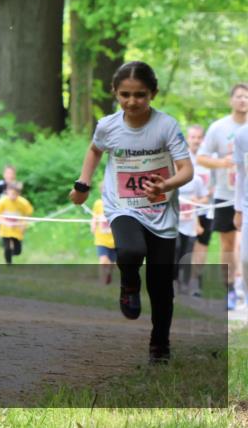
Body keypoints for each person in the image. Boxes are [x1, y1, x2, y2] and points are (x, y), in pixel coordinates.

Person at [69, 61, 192, 364]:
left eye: (140, 95)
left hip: (161, 211)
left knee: (162, 286)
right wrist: (83, 184)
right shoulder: (108, 126)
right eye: (125, 94)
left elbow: (187, 170)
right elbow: (95, 150)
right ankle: (128, 283)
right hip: (123, 205)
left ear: (153, 93)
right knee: (130, 249)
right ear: (115, 92)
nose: (132, 101)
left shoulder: (166, 126)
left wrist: (167, 183)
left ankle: (159, 346)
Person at [197, 84, 248, 310]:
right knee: (227, 244)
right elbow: (201, 157)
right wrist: (223, 163)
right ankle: (229, 289)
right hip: (225, 194)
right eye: (239, 96)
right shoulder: (219, 127)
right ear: (231, 100)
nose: (243, 100)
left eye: (246, 97)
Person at [186, 124, 214, 297]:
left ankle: (195, 283)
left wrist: (212, 190)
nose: (196, 140)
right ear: (188, 138)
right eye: (193, 137)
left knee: (201, 248)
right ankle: (181, 280)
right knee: (185, 248)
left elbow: (219, 177)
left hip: (206, 210)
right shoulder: (181, 156)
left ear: (202, 138)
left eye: (198, 137)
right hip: (186, 211)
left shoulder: (209, 157)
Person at [175, 172, 208, 293]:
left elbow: (204, 198)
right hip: (175, 224)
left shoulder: (196, 180)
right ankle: (174, 280)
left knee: (187, 255)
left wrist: (197, 200)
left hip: (190, 225)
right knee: (176, 251)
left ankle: (185, 283)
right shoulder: (170, 178)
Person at [0, 182, 32, 265]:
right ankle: (8, 264)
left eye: (15, 194)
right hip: (5, 230)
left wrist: (23, 224)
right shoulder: (2, 202)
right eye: (11, 193)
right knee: (7, 247)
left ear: (19, 194)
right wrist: (4, 222)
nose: (13, 196)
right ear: (7, 192)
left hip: (17, 230)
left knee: (17, 251)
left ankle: (9, 254)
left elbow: (28, 213)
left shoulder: (23, 203)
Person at [234, 123, 248, 307]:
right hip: (247, 204)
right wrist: (237, 209)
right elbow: (240, 173)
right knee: (246, 258)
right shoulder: (243, 134)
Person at [90, 194, 116, 284]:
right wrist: (93, 225)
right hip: (101, 239)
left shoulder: (117, 203)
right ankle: (102, 280)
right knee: (103, 260)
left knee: (112, 263)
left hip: (114, 240)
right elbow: (94, 217)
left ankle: (108, 274)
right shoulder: (98, 203)